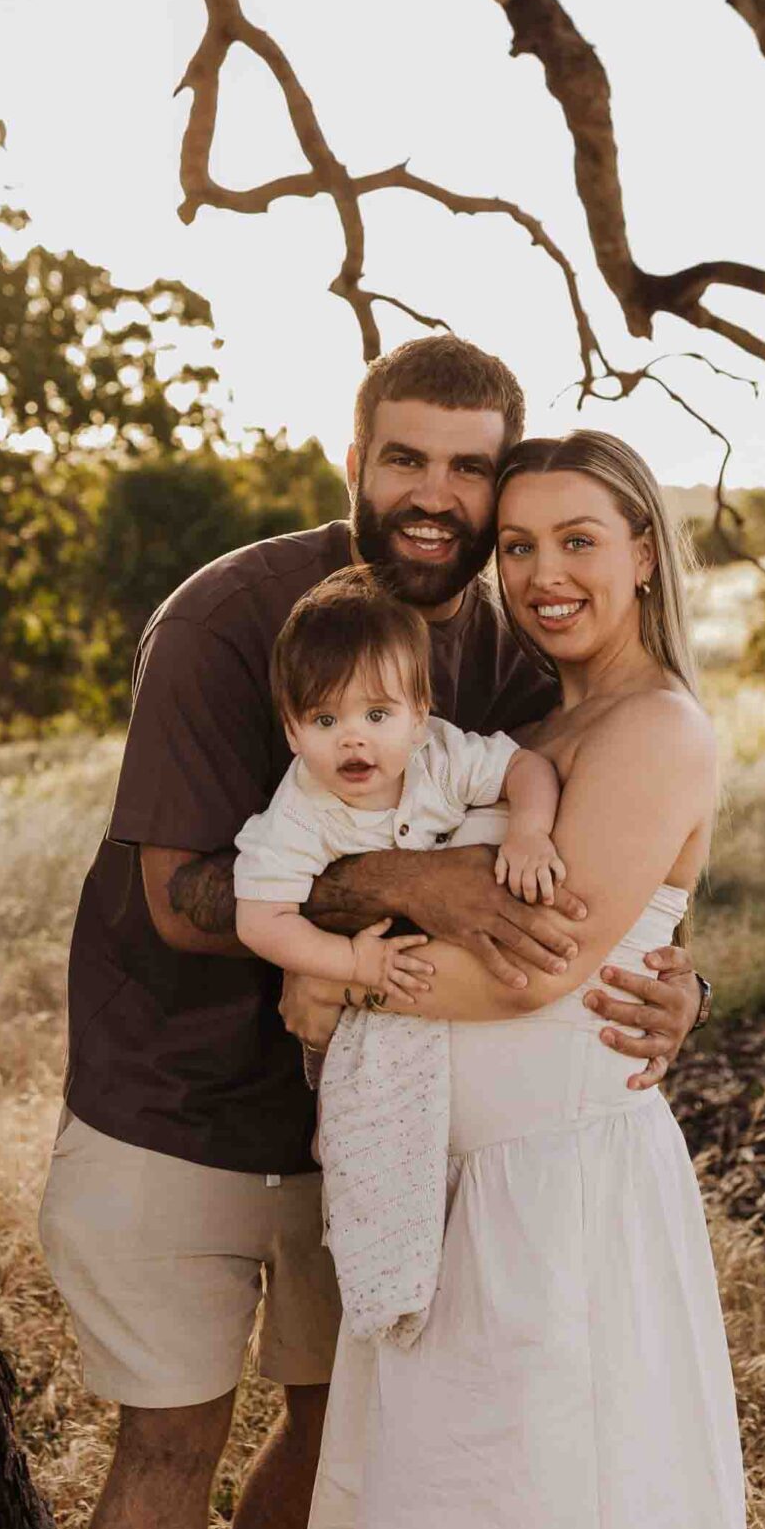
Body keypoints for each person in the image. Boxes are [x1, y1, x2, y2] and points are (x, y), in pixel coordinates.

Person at [40, 339, 707, 1529]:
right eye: (406, 457)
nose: (437, 495)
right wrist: (402, 883)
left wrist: (680, 978)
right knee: (169, 1443)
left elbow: (614, 848)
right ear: (353, 457)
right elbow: (173, 895)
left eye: (471, 468)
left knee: (341, 1439)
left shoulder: (499, 648)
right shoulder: (231, 619)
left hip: (382, 1152)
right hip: (180, 1112)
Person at [289, 429, 765, 1529]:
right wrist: (368, 892)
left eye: (577, 541)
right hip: (442, 1192)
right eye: (518, 547)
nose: (544, 573)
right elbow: (373, 876)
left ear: (640, 552)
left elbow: (537, 970)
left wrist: (337, 972)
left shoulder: (655, 727)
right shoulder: (521, 733)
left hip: (555, 1207)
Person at [235, 566, 565, 1347]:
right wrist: (351, 963)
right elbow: (261, 917)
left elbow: (529, 768)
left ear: (420, 716)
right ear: (290, 730)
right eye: (323, 719)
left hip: (467, 1007)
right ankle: (389, 1272)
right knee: (368, 1128)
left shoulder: (443, 758)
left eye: (377, 713)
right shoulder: (301, 809)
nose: (353, 737)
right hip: (372, 1004)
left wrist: (528, 830)